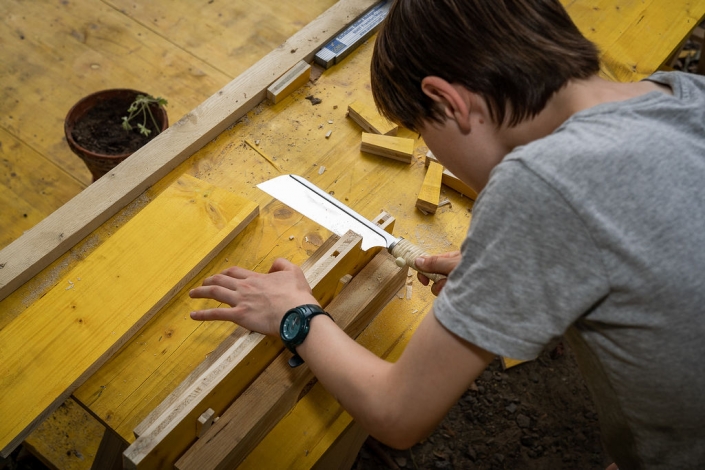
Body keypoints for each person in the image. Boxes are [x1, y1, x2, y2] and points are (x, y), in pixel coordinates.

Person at [189, 1, 705, 468]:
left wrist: (295, 313)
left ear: (448, 100)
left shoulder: (540, 185)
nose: (432, 152)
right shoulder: (682, 94)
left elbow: (397, 415)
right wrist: (518, 271)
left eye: (423, 133)